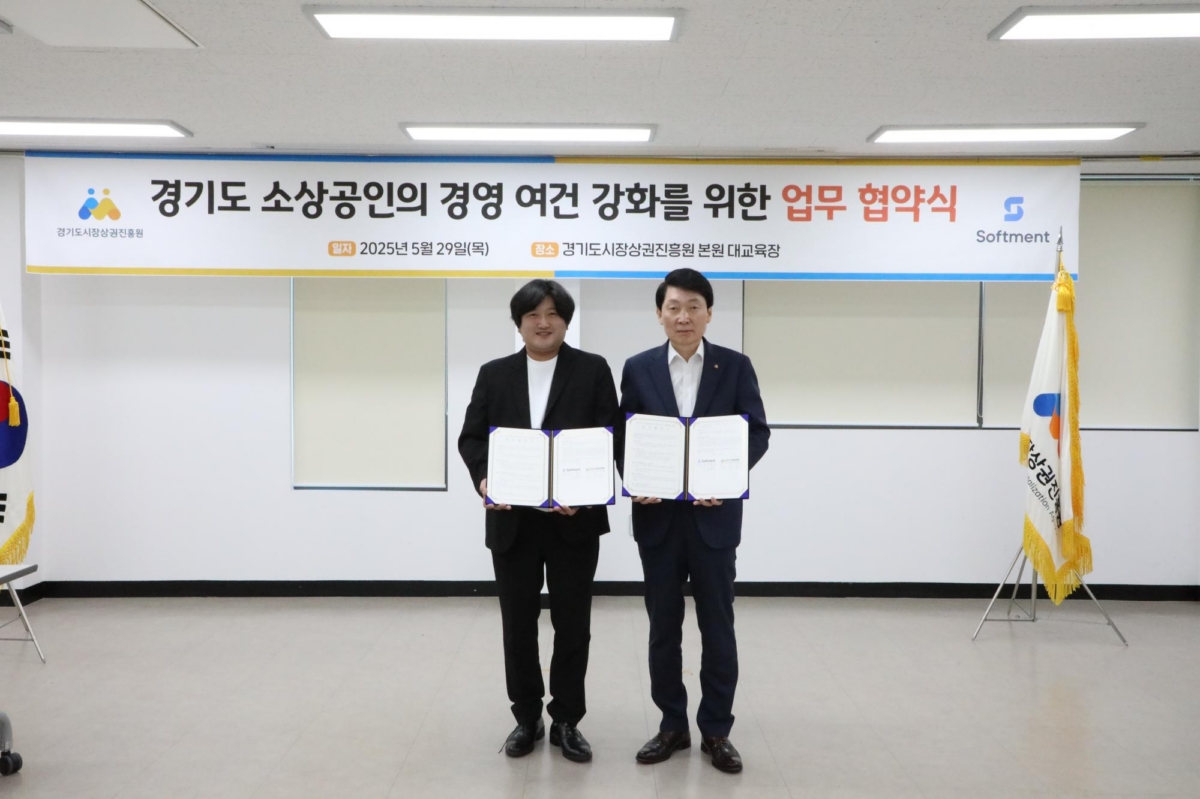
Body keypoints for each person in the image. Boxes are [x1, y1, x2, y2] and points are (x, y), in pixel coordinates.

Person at [458, 279, 618, 763]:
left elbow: (610, 436)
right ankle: (526, 716)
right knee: (517, 624)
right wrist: (484, 479)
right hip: (513, 524)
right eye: (533, 315)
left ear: (566, 321)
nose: (543, 323)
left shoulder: (592, 369)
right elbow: (472, 439)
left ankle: (567, 719)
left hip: (575, 522)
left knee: (573, 623)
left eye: (552, 314)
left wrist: (587, 495)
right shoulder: (495, 374)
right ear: (519, 322)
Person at [617, 268, 769, 774]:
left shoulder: (735, 366)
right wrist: (635, 477)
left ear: (708, 313)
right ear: (659, 314)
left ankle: (717, 730)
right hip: (658, 519)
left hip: (714, 519)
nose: (683, 316)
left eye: (693, 307)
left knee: (717, 626)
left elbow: (757, 432)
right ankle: (671, 725)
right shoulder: (638, 368)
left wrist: (725, 479)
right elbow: (625, 435)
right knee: (663, 628)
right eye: (674, 307)